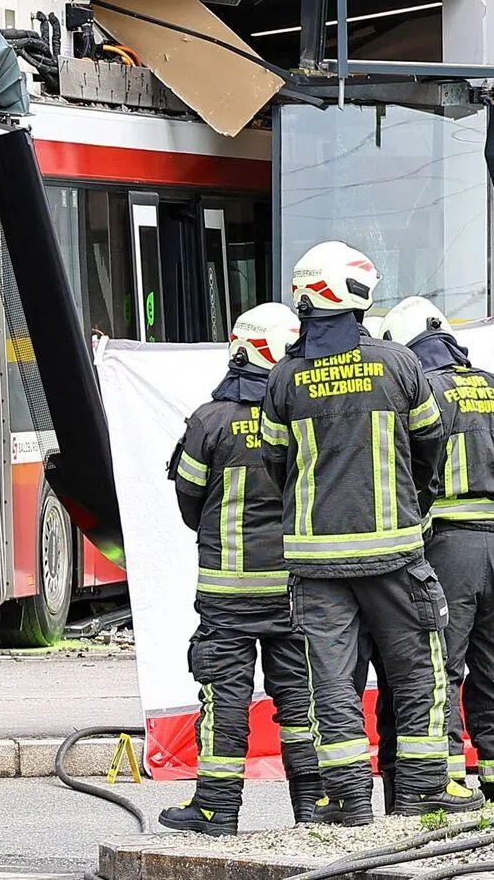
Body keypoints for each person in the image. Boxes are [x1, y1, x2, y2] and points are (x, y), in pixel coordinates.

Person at [261, 242, 481, 824]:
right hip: (397, 559)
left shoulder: (284, 379)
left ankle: (351, 806)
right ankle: (419, 801)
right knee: (418, 680)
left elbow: (274, 464)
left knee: (331, 690)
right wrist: (413, 503)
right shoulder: (400, 365)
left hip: (315, 567)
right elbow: (431, 445)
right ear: (360, 296)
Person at [159, 303, 323, 837]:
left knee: (224, 699)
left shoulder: (210, 421)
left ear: (240, 349)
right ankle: (315, 811)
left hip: (227, 592)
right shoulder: (301, 415)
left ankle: (216, 810)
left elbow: (188, 502)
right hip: (294, 589)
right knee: (300, 699)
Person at [382, 296, 494, 799]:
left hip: (450, 543)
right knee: (492, 664)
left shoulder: (425, 391)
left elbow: (412, 472)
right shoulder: (490, 385)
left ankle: (448, 773)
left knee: (441, 662)